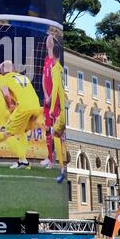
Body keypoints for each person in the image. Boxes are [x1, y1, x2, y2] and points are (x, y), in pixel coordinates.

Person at [0, 60, 41, 169]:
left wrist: (9, 105)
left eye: (0, 69)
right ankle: (22, 161)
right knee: (22, 132)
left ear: (2, 70)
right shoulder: (24, 77)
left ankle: (23, 161)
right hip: (36, 107)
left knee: (6, 133)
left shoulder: (3, 79)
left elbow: (6, 94)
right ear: (14, 68)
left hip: (23, 107)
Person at [40, 34, 59, 169]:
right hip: (46, 100)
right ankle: (49, 157)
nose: (48, 41)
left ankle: (54, 160)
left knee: (55, 130)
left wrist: (51, 97)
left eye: (50, 41)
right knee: (47, 129)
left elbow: (56, 83)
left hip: (54, 101)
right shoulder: (46, 60)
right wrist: (46, 95)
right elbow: (42, 79)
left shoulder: (56, 63)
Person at [50, 44, 66, 183]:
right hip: (67, 110)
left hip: (62, 110)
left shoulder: (55, 69)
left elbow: (55, 89)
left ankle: (62, 169)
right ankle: (63, 165)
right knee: (61, 136)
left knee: (55, 135)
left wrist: (50, 109)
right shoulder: (62, 68)